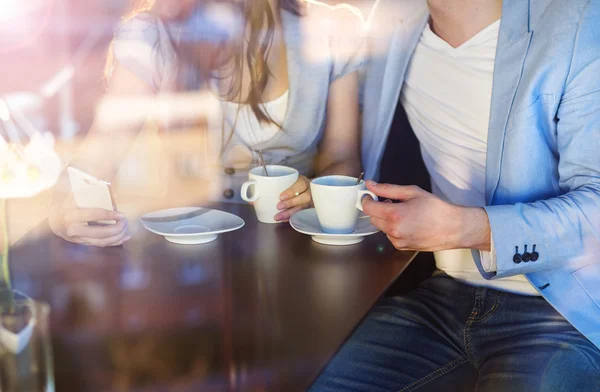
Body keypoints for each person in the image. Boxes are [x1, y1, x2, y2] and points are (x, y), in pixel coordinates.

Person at [311, 0, 600, 390]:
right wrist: (321, 188)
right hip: (439, 298)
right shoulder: (393, 25)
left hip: (561, 312)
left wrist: (467, 228)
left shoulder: (579, 21)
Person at [49, 0, 367, 247]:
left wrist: (318, 191)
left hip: (298, 243)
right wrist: (64, 213)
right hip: (188, 247)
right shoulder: (154, 33)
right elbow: (96, 160)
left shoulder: (332, 29)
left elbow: (343, 155)